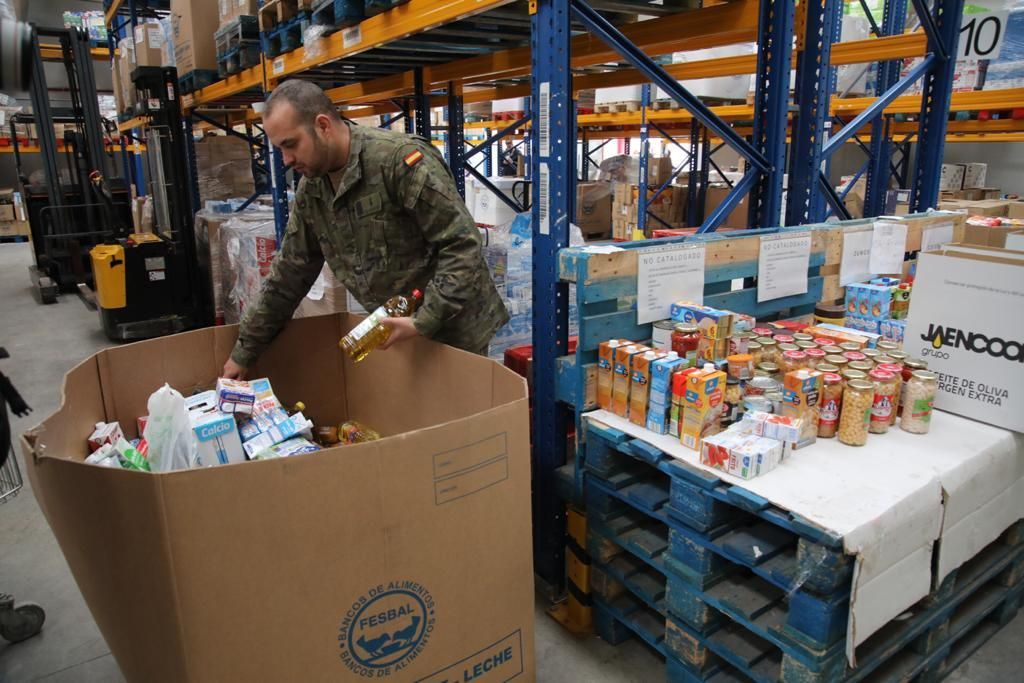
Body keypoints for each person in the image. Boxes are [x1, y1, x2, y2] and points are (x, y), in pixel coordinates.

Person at [222, 81, 508, 379]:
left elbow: (462, 244)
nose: (286, 160)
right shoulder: (313, 190)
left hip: (455, 331)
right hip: (400, 330)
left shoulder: (398, 161)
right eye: (280, 149)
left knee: (461, 421)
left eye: (291, 144)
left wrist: (424, 320)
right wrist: (245, 352)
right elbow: (289, 273)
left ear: (322, 125)